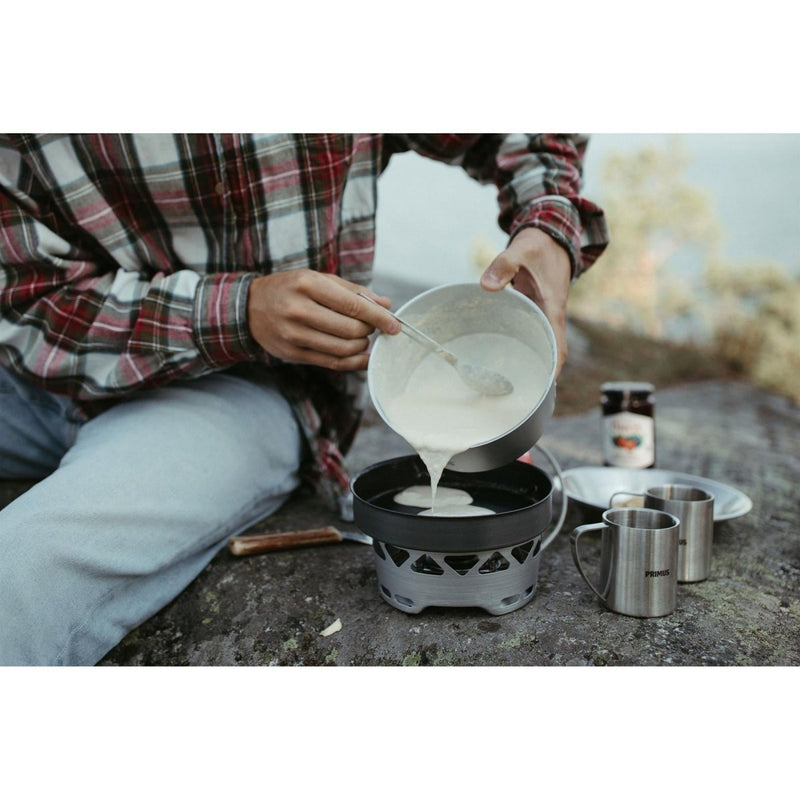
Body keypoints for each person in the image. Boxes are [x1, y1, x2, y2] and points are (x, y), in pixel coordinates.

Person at [0, 134, 609, 665]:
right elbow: (29, 298)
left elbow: (527, 131)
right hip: (25, 373)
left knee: (20, 573)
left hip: (225, 387)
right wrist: (238, 309)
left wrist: (549, 226)